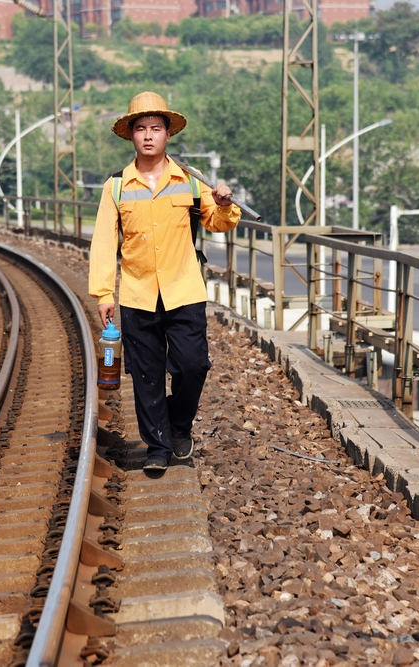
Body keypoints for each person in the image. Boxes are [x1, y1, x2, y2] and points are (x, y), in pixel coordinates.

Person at [89, 92, 240, 472]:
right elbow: (105, 242)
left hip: (184, 289)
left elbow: (219, 222)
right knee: (146, 374)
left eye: (156, 128)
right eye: (140, 129)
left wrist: (222, 203)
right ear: (131, 136)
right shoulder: (117, 187)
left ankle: (178, 425)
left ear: (168, 133)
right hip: (138, 293)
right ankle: (157, 447)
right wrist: (104, 292)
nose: (148, 135)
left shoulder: (189, 181)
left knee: (193, 366)